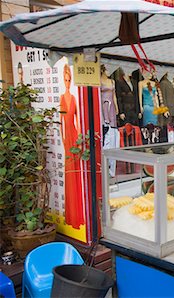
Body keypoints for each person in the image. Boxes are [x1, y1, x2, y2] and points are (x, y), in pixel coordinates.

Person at [60, 64, 84, 229]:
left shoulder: (74, 98)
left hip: (74, 136)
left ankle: (79, 214)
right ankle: (72, 215)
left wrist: (80, 138)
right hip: (66, 137)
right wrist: (62, 139)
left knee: (77, 170)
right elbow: (61, 122)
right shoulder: (62, 98)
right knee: (70, 171)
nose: (68, 83)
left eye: (69, 80)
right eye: (66, 80)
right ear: (63, 80)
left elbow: (79, 121)